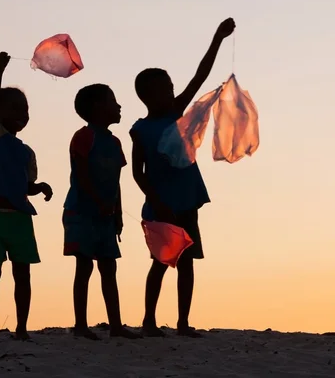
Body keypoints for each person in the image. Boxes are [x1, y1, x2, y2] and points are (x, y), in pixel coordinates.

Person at [130, 18, 236, 338]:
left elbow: (200, 74)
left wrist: (218, 38)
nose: (173, 92)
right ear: (149, 95)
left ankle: (183, 322)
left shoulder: (177, 113)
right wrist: (156, 200)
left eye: (173, 88)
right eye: (166, 89)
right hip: (162, 206)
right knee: (161, 262)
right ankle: (149, 320)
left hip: (186, 200)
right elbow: (138, 172)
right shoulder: (140, 130)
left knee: (187, 261)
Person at [0, 52, 53, 343]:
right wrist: (0, 70)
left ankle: (21, 328)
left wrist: (40, 187)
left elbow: (26, 186)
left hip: (21, 218)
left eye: (25, 110)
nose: (22, 114)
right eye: (14, 108)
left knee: (23, 275)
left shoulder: (26, 153)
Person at [63, 84, 141, 340]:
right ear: (97, 107)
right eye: (113, 101)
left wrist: (117, 213)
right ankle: (80, 326)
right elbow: (81, 175)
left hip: (106, 216)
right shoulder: (83, 137)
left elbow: (116, 181)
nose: (118, 106)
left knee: (109, 268)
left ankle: (116, 325)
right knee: (84, 266)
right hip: (81, 212)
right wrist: (98, 202)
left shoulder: (115, 142)